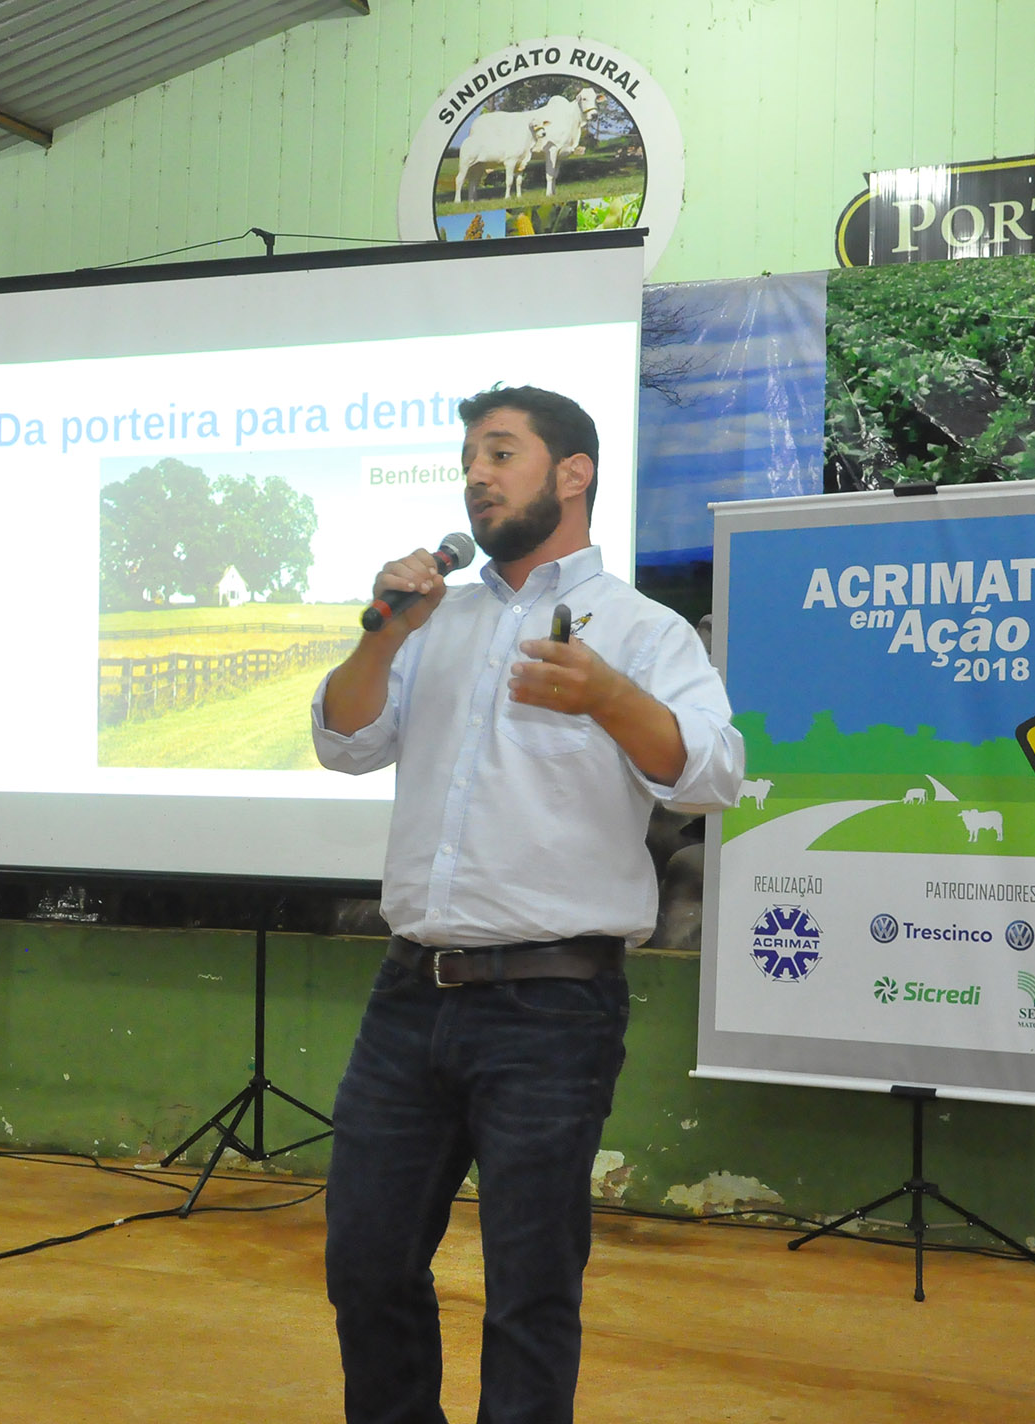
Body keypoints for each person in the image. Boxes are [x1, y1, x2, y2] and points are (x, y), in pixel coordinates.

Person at [312, 385, 743, 1423]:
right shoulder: (436, 622)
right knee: (365, 1263)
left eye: (501, 452)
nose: (476, 473)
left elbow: (711, 774)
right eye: (469, 456)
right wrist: (382, 634)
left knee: (529, 1289)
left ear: (572, 473)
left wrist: (607, 696)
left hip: (551, 1007)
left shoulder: (640, 629)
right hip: (408, 995)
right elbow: (342, 741)